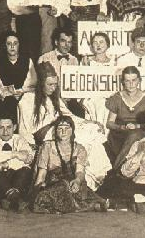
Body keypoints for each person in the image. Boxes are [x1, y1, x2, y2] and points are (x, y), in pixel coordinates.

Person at [17, 61, 111, 190]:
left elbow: (69, 115)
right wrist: (29, 144)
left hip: (60, 127)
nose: (53, 88)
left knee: (93, 135)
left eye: (55, 84)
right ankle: (96, 175)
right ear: (40, 83)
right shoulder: (27, 99)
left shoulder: (53, 98)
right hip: (46, 132)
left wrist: (89, 122)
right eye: (49, 84)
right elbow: (24, 127)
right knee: (83, 137)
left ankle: (97, 175)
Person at [31, 116, 107, 214]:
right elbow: (41, 174)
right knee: (48, 195)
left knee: (82, 193)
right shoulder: (47, 146)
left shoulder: (79, 149)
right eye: (60, 128)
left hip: (73, 183)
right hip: (53, 184)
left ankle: (69, 205)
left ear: (72, 131)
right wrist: (36, 190)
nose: (64, 132)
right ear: (55, 131)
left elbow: (80, 171)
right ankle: (81, 206)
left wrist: (77, 181)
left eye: (67, 128)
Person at [105, 66, 145, 167]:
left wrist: (137, 126)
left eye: (134, 80)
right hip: (119, 133)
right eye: (127, 81)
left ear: (139, 80)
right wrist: (122, 127)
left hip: (141, 130)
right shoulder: (117, 98)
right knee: (127, 137)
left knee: (135, 135)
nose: (131, 84)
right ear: (123, 82)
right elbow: (109, 123)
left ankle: (118, 167)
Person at [0, 112, 34, 211]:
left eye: (9, 127)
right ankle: (15, 199)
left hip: (16, 179)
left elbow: (28, 159)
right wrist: (15, 154)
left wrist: (6, 164)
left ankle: (9, 198)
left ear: (14, 127)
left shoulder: (20, 139)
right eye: (1, 128)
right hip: (0, 180)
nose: (5, 132)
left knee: (26, 169)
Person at [0, 31, 37, 118]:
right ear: (5, 46)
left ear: (19, 45)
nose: (12, 46)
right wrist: (6, 93)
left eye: (15, 43)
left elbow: (32, 82)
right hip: (7, 101)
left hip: (25, 98)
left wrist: (21, 92)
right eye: (9, 44)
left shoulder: (27, 61)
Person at [80, 33, 117, 127]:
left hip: (108, 101)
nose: (98, 45)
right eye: (95, 42)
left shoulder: (114, 62)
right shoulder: (87, 61)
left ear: (108, 45)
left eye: (101, 42)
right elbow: (80, 82)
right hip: (92, 101)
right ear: (92, 46)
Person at [117, 27, 145, 101]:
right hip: (126, 99)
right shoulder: (123, 60)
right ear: (133, 43)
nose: (141, 45)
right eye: (138, 42)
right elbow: (118, 85)